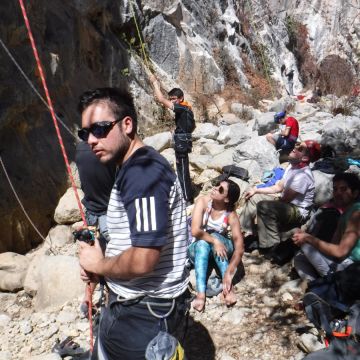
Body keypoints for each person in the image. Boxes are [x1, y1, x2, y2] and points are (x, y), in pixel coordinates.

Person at [77, 87, 189, 360]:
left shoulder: (142, 173)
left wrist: (97, 265)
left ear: (127, 124)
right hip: (145, 310)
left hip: (142, 316)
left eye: (100, 129)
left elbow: (143, 260)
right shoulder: (133, 166)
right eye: (85, 133)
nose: (91, 140)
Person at [240, 141, 320, 259]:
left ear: (305, 157)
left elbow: (285, 200)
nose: (295, 147)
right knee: (254, 197)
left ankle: (270, 246)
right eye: (297, 144)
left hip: (298, 211)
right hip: (286, 203)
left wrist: (265, 204)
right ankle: (244, 232)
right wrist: (256, 190)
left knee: (264, 206)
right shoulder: (292, 167)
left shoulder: (303, 175)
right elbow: (278, 187)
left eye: (300, 148)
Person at [188, 177, 244, 312]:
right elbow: (195, 230)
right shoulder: (203, 202)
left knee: (215, 235)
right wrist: (215, 241)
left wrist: (229, 272)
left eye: (220, 189)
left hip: (219, 250)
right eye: (217, 185)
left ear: (226, 199)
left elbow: (239, 247)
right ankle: (201, 293)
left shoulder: (230, 214)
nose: (214, 188)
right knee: (204, 242)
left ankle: (227, 287)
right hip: (200, 247)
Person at [293, 173, 360, 281]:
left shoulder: (356, 213)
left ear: (355, 193)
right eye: (335, 189)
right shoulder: (344, 214)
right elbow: (333, 246)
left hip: (355, 267)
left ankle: (330, 286)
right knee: (300, 259)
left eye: (343, 189)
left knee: (306, 246)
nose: (338, 193)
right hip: (344, 263)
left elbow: (340, 252)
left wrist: (308, 238)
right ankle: (318, 286)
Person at [75, 141, 116, 314]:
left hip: (91, 212)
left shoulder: (80, 150)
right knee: (114, 255)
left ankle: (87, 298)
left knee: (91, 254)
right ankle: (113, 297)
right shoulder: (109, 149)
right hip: (110, 213)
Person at [149, 74, 194, 204]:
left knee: (182, 169)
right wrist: (180, 130)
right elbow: (192, 125)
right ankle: (185, 195)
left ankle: (187, 198)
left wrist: (155, 83)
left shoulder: (182, 107)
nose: (172, 101)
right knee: (181, 167)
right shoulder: (187, 108)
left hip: (181, 142)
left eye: (174, 99)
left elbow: (161, 99)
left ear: (181, 98)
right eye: (172, 99)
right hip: (183, 140)